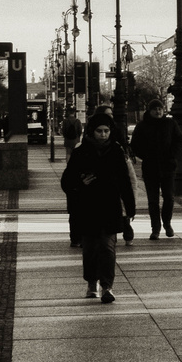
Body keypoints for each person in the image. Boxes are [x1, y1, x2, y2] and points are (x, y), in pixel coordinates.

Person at [59, 112, 135, 303]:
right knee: (90, 249)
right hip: (87, 207)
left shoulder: (116, 152)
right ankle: (92, 283)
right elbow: (66, 182)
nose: (103, 135)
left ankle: (107, 286)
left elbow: (125, 181)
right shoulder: (80, 151)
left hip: (110, 207)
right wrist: (81, 181)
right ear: (92, 132)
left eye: (106, 131)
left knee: (108, 248)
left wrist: (130, 207)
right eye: (99, 131)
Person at [129, 100, 182, 239]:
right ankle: (155, 228)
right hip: (150, 166)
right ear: (150, 111)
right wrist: (146, 155)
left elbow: (180, 140)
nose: (158, 111)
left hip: (168, 166)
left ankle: (167, 223)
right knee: (153, 200)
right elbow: (135, 144)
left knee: (169, 197)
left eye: (160, 109)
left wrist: (172, 154)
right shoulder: (142, 125)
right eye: (155, 109)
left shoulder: (170, 124)